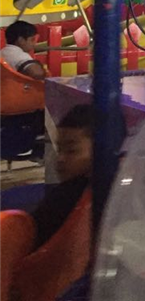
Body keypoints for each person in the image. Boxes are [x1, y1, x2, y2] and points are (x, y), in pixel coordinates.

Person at [30, 104, 93, 249]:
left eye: (72, 150)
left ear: (101, 152)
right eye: (59, 150)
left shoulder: (63, 198)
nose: (60, 159)